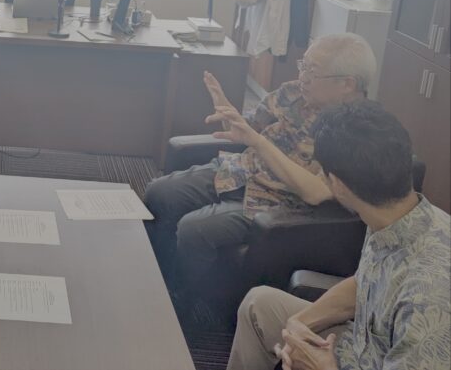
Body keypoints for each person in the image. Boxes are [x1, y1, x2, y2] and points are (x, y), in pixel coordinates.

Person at [219, 100, 450, 370]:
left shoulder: (429, 294)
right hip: (360, 344)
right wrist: (301, 321)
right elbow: (363, 284)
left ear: (337, 185)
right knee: (258, 304)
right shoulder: (393, 216)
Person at [143, 33, 377, 298]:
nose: (302, 77)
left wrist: (258, 142)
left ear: (347, 84)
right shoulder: (292, 93)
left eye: (313, 72)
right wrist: (228, 112)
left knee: (194, 229)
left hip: (281, 202)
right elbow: (248, 130)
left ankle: (183, 301)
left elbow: (316, 192)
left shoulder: (359, 131)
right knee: (159, 192)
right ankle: (157, 278)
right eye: (303, 66)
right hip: (242, 171)